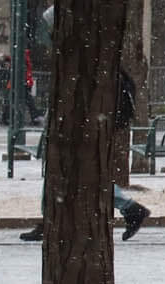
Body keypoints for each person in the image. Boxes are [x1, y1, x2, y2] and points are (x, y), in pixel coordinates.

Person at [21, 67, 149, 242]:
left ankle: (52, 221)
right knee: (80, 175)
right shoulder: (105, 69)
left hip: (80, 130)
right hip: (87, 128)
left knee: (73, 174)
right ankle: (52, 220)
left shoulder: (87, 69)